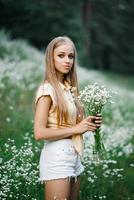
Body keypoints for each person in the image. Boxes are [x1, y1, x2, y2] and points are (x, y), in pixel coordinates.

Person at [34, 36, 102, 200]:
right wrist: (77, 129)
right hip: (57, 157)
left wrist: (89, 123)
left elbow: (73, 126)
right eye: (61, 55)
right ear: (51, 58)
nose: (67, 61)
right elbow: (39, 133)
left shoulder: (69, 89)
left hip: (74, 156)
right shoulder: (47, 90)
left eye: (71, 56)